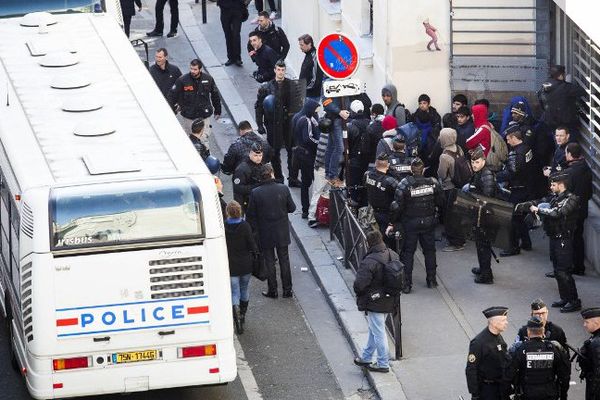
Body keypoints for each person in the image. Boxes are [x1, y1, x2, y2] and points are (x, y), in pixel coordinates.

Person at [518, 172, 582, 313]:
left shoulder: (571, 199)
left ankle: (574, 301)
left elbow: (557, 212)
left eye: (553, 185)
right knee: (558, 271)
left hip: (564, 239)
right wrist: (529, 204)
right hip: (554, 238)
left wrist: (539, 209)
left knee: (564, 271)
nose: (551, 187)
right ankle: (565, 298)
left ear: (561, 184)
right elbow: (543, 200)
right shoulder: (555, 197)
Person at [391, 158, 444, 293]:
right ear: (423, 169)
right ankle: (431, 280)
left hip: (410, 223)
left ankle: (407, 284)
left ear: (411, 170)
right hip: (428, 222)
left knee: (408, 253)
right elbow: (441, 201)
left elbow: (397, 206)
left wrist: (394, 221)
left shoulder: (405, 184)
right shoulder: (432, 183)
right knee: (430, 251)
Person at [246, 164, 296, 298]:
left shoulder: (256, 192)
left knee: (269, 261)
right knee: (284, 260)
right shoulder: (283, 189)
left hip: (265, 232)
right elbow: (292, 208)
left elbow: (251, 215)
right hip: (281, 230)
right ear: (272, 174)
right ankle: (287, 290)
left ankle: (272, 290)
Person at [352, 230, 399, 374]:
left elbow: (360, 285)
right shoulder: (392, 254)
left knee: (378, 332)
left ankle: (383, 363)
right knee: (375, 329)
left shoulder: (369, 261)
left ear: (368, 243)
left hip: (375, 301)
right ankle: (366, 357)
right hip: (390, 298)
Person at [507, 316, 570, 400]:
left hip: (526, 394)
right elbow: (565, 375)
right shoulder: (554, 348)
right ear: (543, 331)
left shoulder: (519, 349)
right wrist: (563, 396)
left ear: (528, 332)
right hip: (549, 394)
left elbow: (508, 374)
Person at [255, 61, 295, 182]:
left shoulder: (291, 85)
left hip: (288, 123)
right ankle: (278, 177)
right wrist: (259, 124)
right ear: (275, 70)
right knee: (274, 152)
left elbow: (298, 104)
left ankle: (293, 177)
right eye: (278, 70)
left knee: (291, 150)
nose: (281, 72)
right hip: (273, 123)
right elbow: (259, 106)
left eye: (283, 70)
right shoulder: (266, 87)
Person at [496, 129, 534, 256]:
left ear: (514, 138)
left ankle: (513, 247)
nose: (507, 141)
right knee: (519, 217)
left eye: (508, 139)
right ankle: (526, 242)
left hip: (518, 189)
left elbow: (511, 173)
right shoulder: (527, 149)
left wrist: (495, 175)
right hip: (527, 186)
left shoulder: (516, 153)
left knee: (512, 219)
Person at [169, 59, 221, 148]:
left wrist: (218, 110)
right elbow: (172, 95)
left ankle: (205, 159)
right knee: (190, 142)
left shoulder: (208, 79)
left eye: (195, 69)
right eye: (191, 69)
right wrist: (172, 110)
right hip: (189, 116)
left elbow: (215, 95)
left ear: (200, 69)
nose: (193, 71)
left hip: (203, 116)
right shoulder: (182, 80)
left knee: (204, 140)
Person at [225, 200, 258, 334]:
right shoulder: (245, 226)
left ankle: (236, 316)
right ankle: (243, 315)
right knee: (244, 289)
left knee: (234, 292)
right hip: (245, 264)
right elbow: (252, 244)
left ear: (228, 213)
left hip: (231, 264)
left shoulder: (224, 227)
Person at [467, 148, 499, 284]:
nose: (474, 164)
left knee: (483, 246)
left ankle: (487, 275)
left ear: (483, 161)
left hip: (486, 218)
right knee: (480, 246)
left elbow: (487, 198)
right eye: (472, 162)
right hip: (479, 215)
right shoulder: (479, 173)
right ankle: (483, 268)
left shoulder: (486, 175)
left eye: (477, 162)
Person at [465, 306, 510, 400]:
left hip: (500, 387)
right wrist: (475, 394)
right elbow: (471, 369)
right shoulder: (478, 342)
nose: (506, 323)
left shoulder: (498, 336)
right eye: (503, 320)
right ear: (493, 322)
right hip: (487, 389)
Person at [564, 142, 593, 275]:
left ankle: (571, 266)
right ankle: (579, 266)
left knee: (570, 240)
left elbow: (566, 192)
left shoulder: (570, 172)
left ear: (570, 154)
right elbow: (589, 193)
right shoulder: (586, 168)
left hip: (572, 211)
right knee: (578, 238)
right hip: (582, 209)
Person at [438, 127, 467, 252]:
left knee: (449, 216)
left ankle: (456, 243)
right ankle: (460, 238)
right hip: (460, 185)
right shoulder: (459, 148)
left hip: (449, 188)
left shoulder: (444, 156)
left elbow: (442, 174)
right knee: (457, 215)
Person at [538, 65, 586, 137]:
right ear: (560, 75)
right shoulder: (564, 87)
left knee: (557, 141)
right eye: (563, 74)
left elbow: (541, 102)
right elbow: (582, 91)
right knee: (571, 140)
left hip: (549, 121)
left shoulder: (544, 86)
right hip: (565, 123)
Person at [292, 98, 320, 218]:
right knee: (312, 182)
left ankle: (306, 209)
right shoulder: (306, 121)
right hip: (307, 156)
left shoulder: (301, 118)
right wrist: (319, 143)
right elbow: (307, 138)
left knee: (305, 182)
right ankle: (310, 210)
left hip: (302, 154)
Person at [364, 153, 400, 246]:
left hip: (373, 212)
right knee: (389, 241)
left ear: (376, 164)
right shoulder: (389, 181)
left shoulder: (368, 175)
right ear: (388, 165)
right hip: (387, 214)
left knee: (377, 237)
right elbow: (400, 190)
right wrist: (394, 173)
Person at [307, 118, 332, 228]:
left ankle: (317, 216)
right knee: (322, 192)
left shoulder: (323, 134)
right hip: (324, 168)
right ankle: (312, 216)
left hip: (320, 168)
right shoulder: (329, 137)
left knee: (318, 192)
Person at [232, 143, 264, 211]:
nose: (258, 158)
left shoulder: (261, 165)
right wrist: (257, 187)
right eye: (255, 155)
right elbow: (238, 188)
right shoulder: (242, 169)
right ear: (250, 154)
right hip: (247, 202)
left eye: (260, 155)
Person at [412, 94, 441, 165]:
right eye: (420, 103)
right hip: (418, 143)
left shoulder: (434, 115)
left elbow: (437, 130)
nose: (422, 105)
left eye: (424, 103)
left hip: (430, 145)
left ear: (429, 104)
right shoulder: (415, 115)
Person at [578, 307, 600, 400]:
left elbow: (598, 370)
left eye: (587, 322)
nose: (584, 325)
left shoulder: (595, 344)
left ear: (596, 323)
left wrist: (593, 392)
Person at [217, 0, 245, 67]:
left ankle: (237, 57)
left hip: (237, 8)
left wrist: (245, 3)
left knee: (236, 34)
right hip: (225, 9)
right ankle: (231, 57)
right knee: (228, 34)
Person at [298, 34, 324, 101]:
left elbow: (315, 79)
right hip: (306, 94)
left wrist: (304, 89)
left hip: (312, 96)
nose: (300, 47)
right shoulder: (308, 55)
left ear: (309, 44)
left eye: (302, 45)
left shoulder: (314, 57)